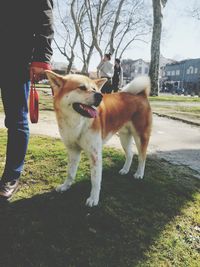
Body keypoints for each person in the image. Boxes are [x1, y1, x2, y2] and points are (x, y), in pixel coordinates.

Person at [0, 0, 54, 199]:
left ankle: (11, 176)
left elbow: (45, 16)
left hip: (16, 55)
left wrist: (42, 58)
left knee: (16, 120)